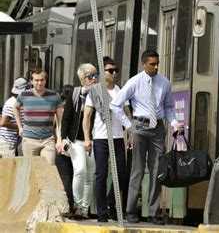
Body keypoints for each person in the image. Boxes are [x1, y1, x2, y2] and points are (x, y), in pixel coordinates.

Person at [110, 49, 183, 225]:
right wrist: (130, 127)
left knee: (158, 170)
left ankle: (153, 212)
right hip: (140, 126)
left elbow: (168, 108)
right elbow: (115, 104)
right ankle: (130, 210)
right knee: (138, 169)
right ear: (144, 64)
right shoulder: (135, 82)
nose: (155, 67)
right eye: (152, 64)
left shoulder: (164, 83)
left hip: (157, 128)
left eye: (157, 64)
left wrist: (174, 124)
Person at [83, 57, 131, 223]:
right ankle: (102, 212)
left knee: (121, 173)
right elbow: (87, 117)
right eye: (110, 71)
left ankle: (111, 202)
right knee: (101, 175)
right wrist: (87, 139)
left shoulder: (120, 90)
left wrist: (129, 134)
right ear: (102, 73)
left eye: (116, 70)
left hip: (118, 137)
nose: (114, 73)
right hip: (101, 138)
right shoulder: (95, 91)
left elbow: (127, 112)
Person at [61, 65, 98, 220]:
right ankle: (76, 206)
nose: (94, 79)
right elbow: (67, 117)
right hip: (76, 140)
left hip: (95, 139)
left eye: (96, 75)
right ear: (83, 79)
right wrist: (63, 138)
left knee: (90, 175)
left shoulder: (100, 94)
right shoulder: (76, 94)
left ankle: (84, 208)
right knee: (80, 170)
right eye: (90, 76)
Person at [13, 69, 63, 165]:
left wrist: (59, 139)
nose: (39, 83)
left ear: (45, 80)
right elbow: (15, 108)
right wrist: (20, 127)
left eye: (42, 80)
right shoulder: (24, 95)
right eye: (36, 80)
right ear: (31, 81)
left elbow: (60, 121)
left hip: (48, 140)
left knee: (48, 169)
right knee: (31, 171)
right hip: (29, 140)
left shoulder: (55, 96)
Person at [56, 84, 74, 218]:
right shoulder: (78, 107)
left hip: (62, 147)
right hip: (73, 145)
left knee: (66, 178)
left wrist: (58, 140)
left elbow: (57, 127)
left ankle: (67, 208)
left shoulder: (59, 108)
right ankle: (72, 208)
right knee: (74, 178)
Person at [0, 77, 29, 157]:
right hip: (6, 143)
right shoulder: (12, 103)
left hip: (13, 142)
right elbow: (3, 122)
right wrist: (20, 127)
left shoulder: (21, 102)